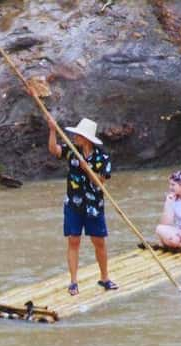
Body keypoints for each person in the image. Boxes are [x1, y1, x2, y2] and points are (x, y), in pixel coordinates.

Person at [47, 117, 116, 295]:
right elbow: (54, 150)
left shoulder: (103, 157)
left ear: (86, 138)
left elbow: (101, 182)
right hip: (73, 203)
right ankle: (73, 282)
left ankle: (105, 278)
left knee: (98, 241)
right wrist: (53, 130)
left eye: (78, 135)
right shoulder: (72, 151)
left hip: (94, 204)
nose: (75, 136)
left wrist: (87, 169)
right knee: (73, 239)